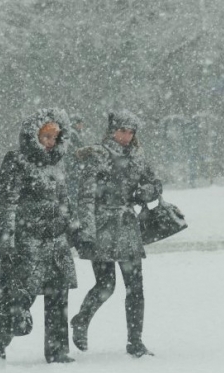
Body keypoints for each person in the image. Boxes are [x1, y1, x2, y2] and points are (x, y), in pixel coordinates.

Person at [71, 110, 162, 358]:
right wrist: (87, 230)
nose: (127, 136)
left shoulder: (138, 156)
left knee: (136, 287)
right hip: (102, 227)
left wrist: (146, 190)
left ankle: (135, 341)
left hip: (127, 226)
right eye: (123, 130)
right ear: (112, 130)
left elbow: (155, 183)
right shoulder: (98, 155)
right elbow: (86, 195)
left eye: (131, 132)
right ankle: (81, 320)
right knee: (106, 284)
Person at [0, 108, 77, 363]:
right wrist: (5, 241)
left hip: (57, 242)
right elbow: (7, 204)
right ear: (33, 136)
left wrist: (72, 228)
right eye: (46, 136)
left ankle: (57, 351)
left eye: (55, 137)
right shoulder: (16, 161)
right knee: (19, 297)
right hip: (28, 242)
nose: (51, 142)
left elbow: (64, 200)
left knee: (58, 295)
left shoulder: (57, 162)